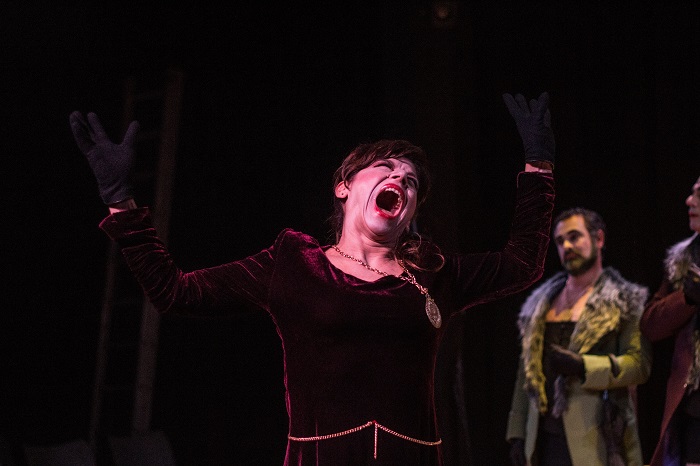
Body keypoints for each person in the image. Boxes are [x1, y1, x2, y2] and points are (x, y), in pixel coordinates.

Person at [70, 91, 555, 466]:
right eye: (385, 169)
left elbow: (521, 264)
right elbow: (174, 291)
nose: (400, 181)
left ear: (411, 212)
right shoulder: (293, 264)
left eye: (411, 182)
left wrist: (539, 167)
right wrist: (120, 200)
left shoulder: (435, 274)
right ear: (344, 187)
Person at [506, 207, 651, 466]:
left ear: (599, 239)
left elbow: (638, 366)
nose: (567, 246)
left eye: (574, 237)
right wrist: (517, 433)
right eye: (560, 241)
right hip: (543, 441)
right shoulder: (541, 305)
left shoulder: (623, 301)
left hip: (597, 439)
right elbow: (524, 374)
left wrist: (585, 366)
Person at [640, 175, 700, 466]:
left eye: (699, 195)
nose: (689, 201)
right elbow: (650, 325)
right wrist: (687, 297)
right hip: (692, 410)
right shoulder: (683, 260)